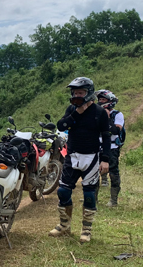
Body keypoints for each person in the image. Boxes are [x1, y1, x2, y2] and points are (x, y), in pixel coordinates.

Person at [49, 77, 111, 243]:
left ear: (89, 93)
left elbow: (106, 136)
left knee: (89, 194)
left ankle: (86, 229)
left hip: (91, 157)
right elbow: (61, 125)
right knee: (63, 191)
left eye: (81, 92)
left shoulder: (100, 112)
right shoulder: (71, 109)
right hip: (72, 156)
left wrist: (105, 159)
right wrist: (77, 113)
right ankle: (64, 225)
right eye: (75, 92)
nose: (77, 95)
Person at [96, 90, 124, 207]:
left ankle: (113, 200)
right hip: (97, 146)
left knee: (113, 172)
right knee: (93, 173)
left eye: (103, 100)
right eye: (100, 99)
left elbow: (117, 130)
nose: (100, 101)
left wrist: (107, 118)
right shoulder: (96, 113)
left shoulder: (117, 115)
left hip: (112, 147)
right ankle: (93, 197)